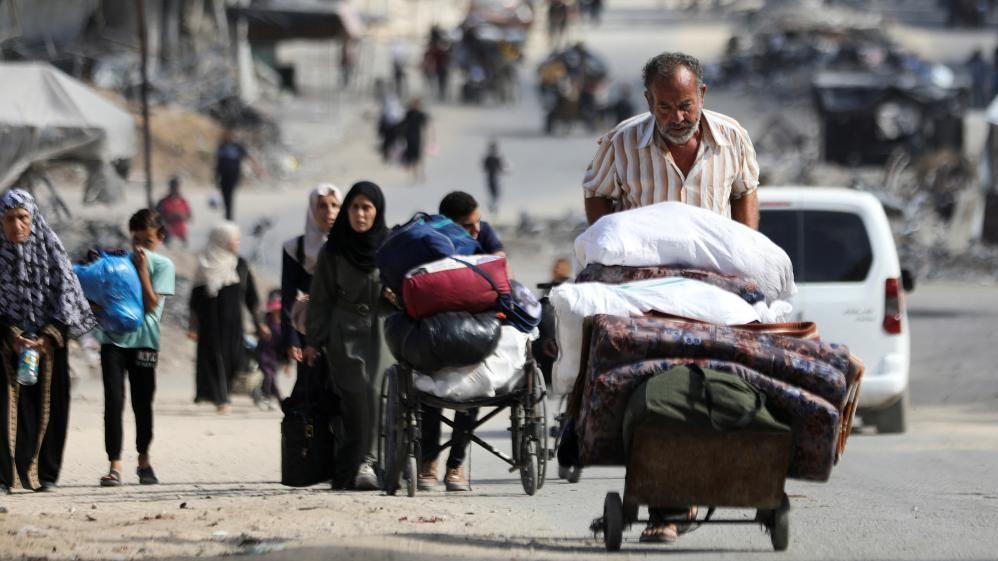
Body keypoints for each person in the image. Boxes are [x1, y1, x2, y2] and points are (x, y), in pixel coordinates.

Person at [579, 52, 760, 543]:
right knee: (656, 383)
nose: (677, 118)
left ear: (702, 95)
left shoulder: (733, 138)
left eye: (685, 105)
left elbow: (746, 193)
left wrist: (745, 254)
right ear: (647, 103)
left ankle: (682, 494)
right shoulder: (622, 142)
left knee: (710, 383)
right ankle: (668, 504)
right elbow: (596, 192)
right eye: (664, 108)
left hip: (714, 290)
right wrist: (610, 246)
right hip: (648, 291)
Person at [1, 189, 96, 493]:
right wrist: (12, 335)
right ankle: (4, 476)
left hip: (48, 344)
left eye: (22, 218)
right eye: (9, 219)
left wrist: (46, 336)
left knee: (50, 407)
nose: (16, 225)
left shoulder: (52, 250)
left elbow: (68, 300)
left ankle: (47, 475)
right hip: (5, 345)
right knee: (5, 408)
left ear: (33, 219)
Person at [415, 191, 506, 493]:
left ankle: (455, 464)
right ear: (448, 226)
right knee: (428, 389)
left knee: (472, 387)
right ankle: (428, 462)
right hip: (437, 324)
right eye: (468, 226)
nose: (475, 231)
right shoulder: (429, 239)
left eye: (476, 223)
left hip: (473, 321)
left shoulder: (485, 232)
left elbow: (501, 268)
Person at [304, 182, 389, 491]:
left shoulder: (390, 246)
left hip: (382, 329)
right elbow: (321, 298)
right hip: (346, 330)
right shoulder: (334, 249)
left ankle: (377, 462)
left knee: (379, 393)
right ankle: (358, 463)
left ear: (377, 211)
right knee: (356, 396)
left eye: (367, 207)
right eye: (354, 207)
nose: (360, 214)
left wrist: (396, 295)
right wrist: (314, 340)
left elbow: (409, 287)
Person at [95, 209, 176, 487]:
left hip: (144, 342)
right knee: (113, 401)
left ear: (160, 237)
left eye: (147, 240)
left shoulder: (163, 265)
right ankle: (114, 463)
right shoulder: (120, 262)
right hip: (113, 341)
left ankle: (143, 460)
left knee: (142, 403)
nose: (140, 247)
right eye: (136, 240)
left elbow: (152, 304)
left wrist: (141, 271)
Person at [189, 222, 266, 414]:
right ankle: (221, 399)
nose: (238, 242)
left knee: (238, 360)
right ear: (221, 239)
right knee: (215, 359)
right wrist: (193, 326)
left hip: (234, 325)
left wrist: (260, 323)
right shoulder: (205, 265)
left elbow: (251, 297)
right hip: (211, 326)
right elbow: (195, 300)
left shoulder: (240, 265)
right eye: (234, 238)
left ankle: (249, 393)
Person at [215, 128, 264, 221]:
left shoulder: (237, 146)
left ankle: (229, 217)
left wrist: (258, 168)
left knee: (229, 195)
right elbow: (217, 163)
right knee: (225, 196)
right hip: (222, 176)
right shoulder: (221, 146)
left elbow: (249, 157)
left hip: (233, 176)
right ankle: (228, 215)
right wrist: (215, 177)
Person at [438, 191, 505, 257]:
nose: (477, 229)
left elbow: (500, 257)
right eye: (468, 225)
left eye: (478, 220)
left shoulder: (483, 230)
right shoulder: (434, 242)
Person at [253, 290, 285, 410]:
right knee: (268, 376)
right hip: (263, 354)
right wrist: (261, 328)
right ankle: (271, 398)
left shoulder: (284, 324)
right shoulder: (266, 321)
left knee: (272, 377)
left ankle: (268, 397)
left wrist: (287, 363)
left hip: (274, 357)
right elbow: (257, 328)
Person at [400, 99, 433, 182]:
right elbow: (403, 124)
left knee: (418, 157)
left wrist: (429, 137)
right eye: (414, 104)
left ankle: (420, 174)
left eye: (417, 104)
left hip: (418, 138)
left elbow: (426, 126)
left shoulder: (421, 114)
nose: (415, 106)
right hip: (409, 137)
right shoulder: (408, 113)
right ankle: (413, 175)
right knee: (411, 157)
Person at [156, 176, 192, 247]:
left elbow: (189, 216)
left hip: (181, 235)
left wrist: (181, 216)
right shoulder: (163, 202)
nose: (175, 188)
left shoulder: (183, 201)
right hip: (168, 235)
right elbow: (156, 218)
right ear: (170, 187)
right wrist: (170, 217)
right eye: (174, 186)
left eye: (177, 186)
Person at [482, 141, 508, 215]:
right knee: (495, 194)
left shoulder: (489, 158)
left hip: (491, 177)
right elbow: (501, 168)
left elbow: (484, 168)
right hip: (494, 178)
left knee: (494, 194)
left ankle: (493, 208)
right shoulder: (495, 158)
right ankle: (493, 208)